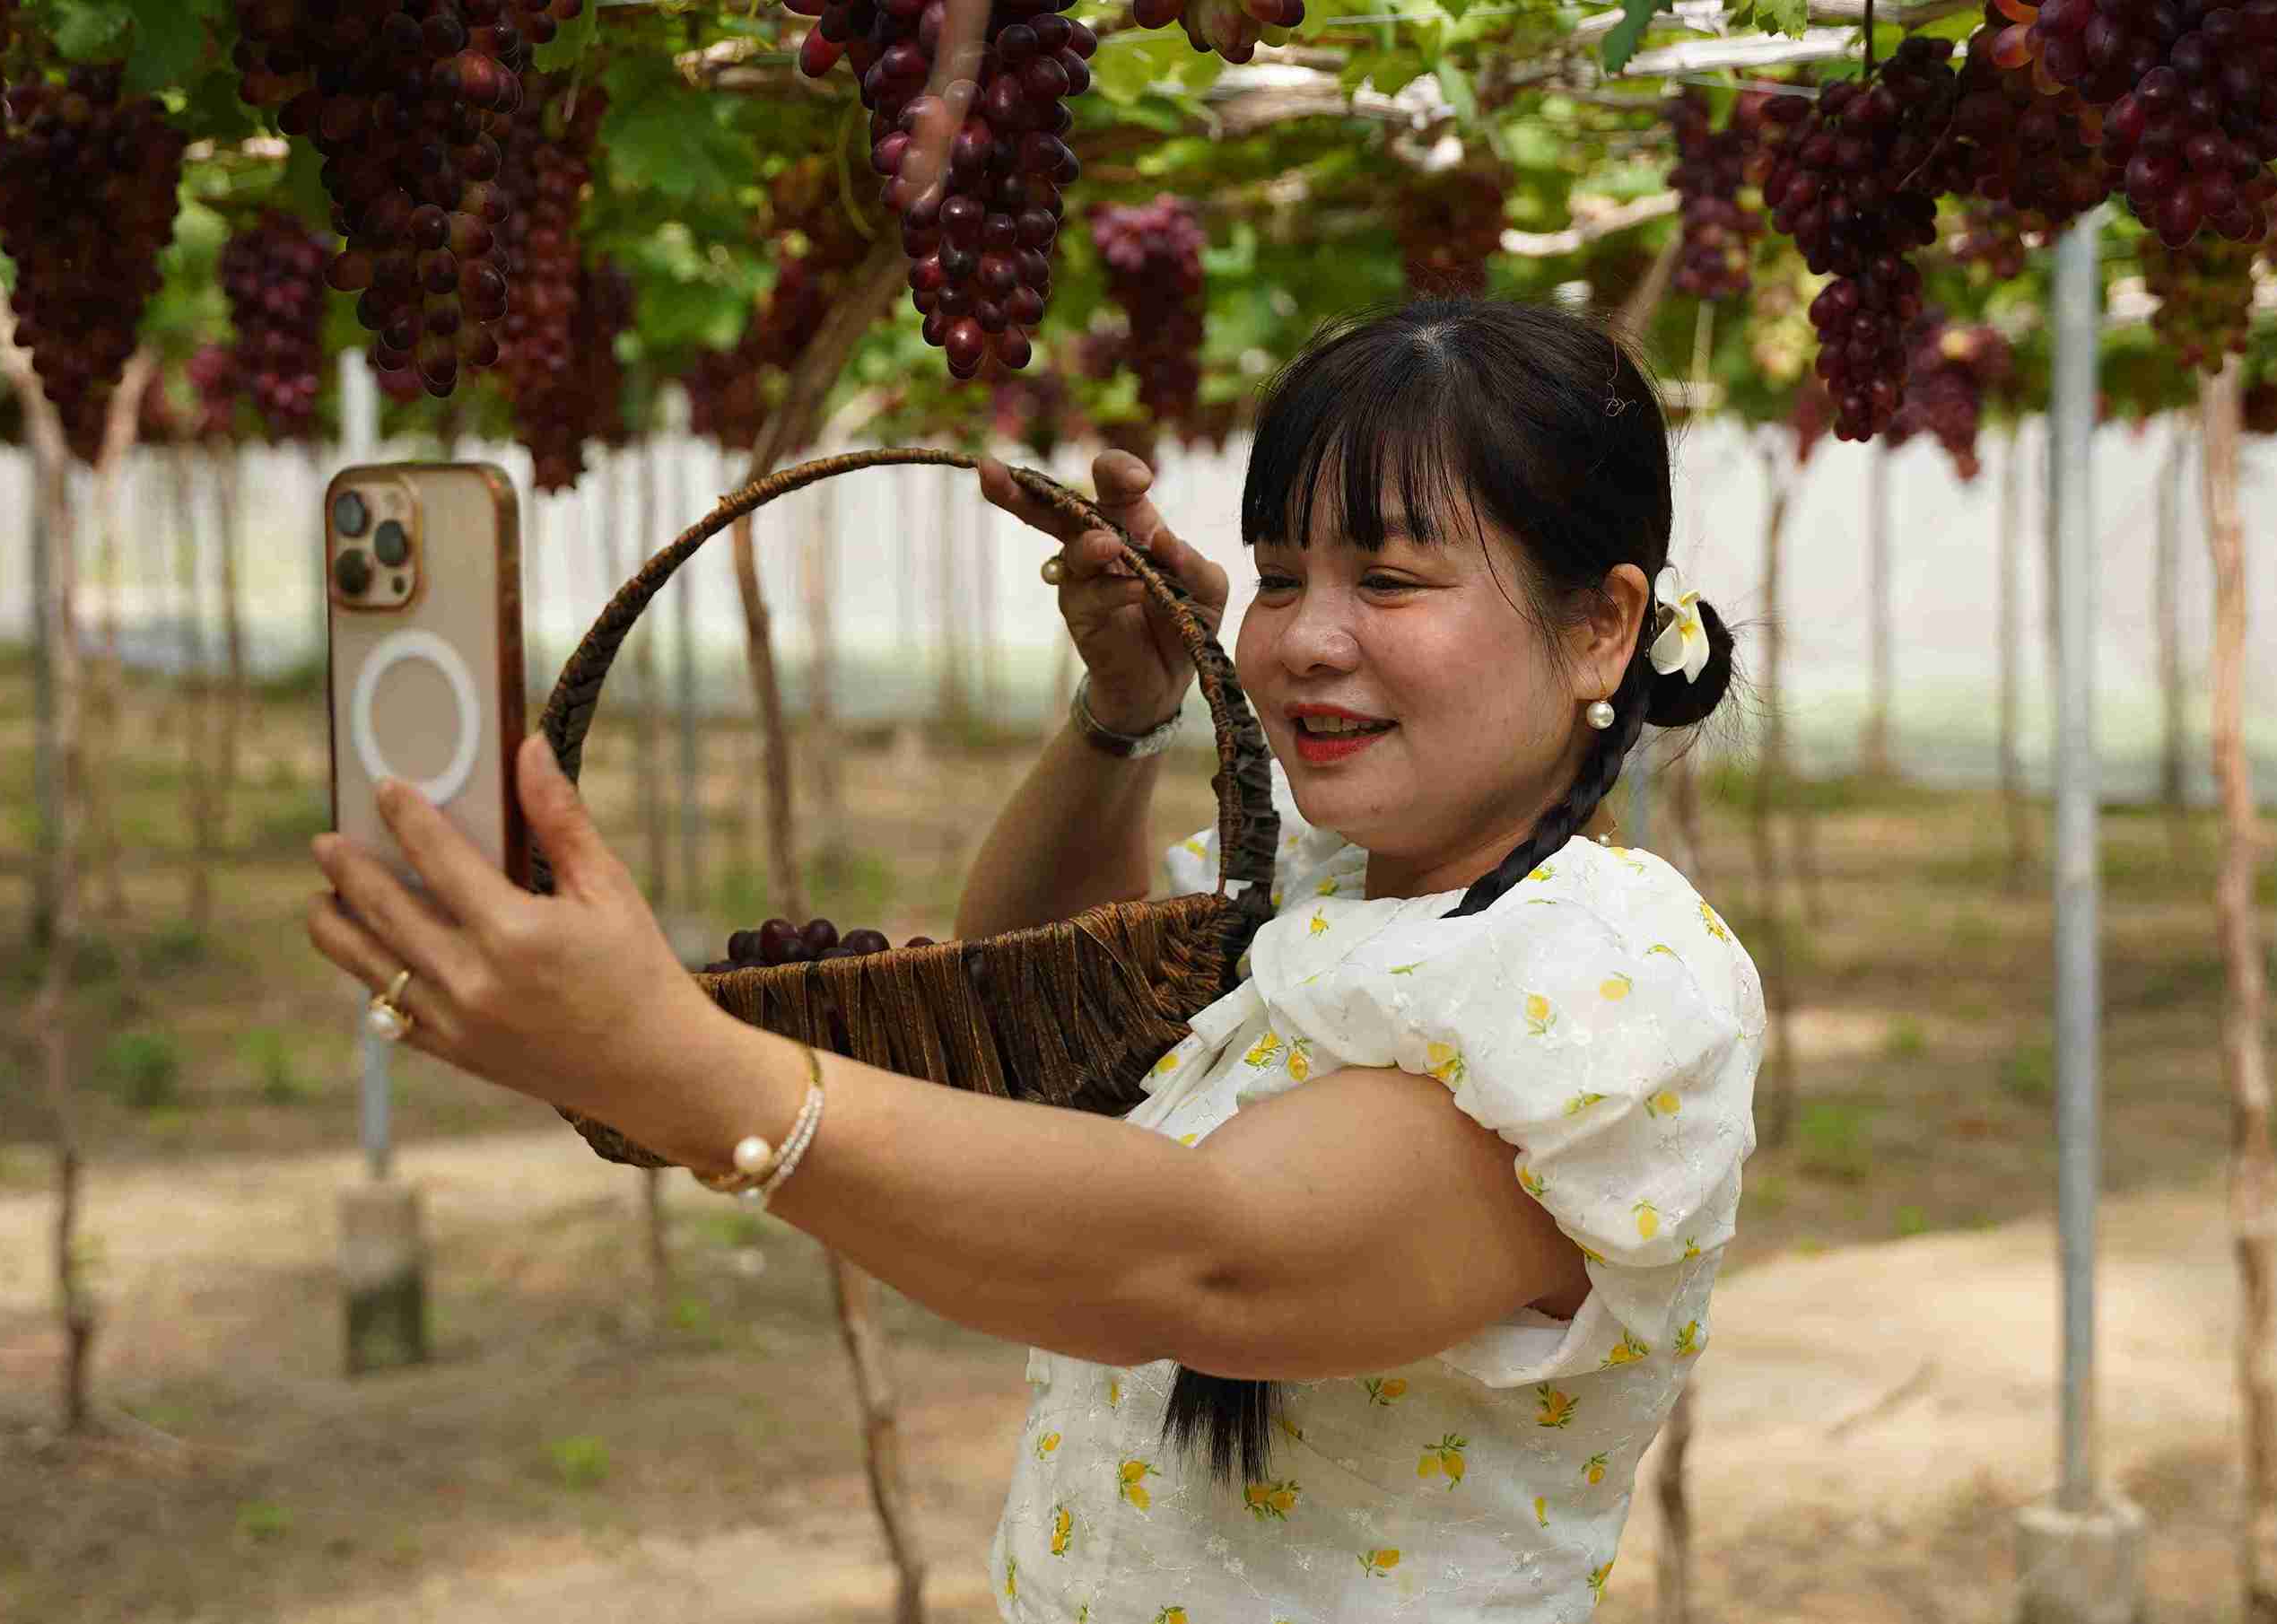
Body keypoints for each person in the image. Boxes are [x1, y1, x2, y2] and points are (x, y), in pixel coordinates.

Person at [303, 293, 1760, 1623]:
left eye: (1388, 580)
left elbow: (1201, 1260)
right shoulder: (1311, 906)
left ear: (1601, 628)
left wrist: (679, 1070)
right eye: (1276, 575)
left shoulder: (1602, 982)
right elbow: (1041, 1029)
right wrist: (1124, 710)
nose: (1307, 638)